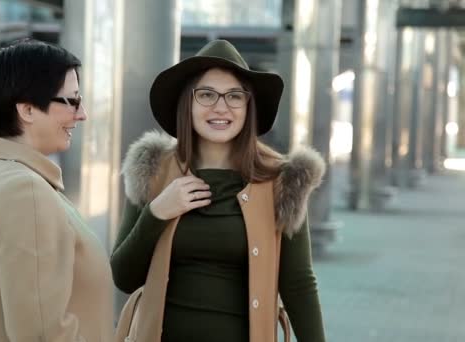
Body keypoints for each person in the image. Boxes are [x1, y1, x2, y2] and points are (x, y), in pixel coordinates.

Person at [111, 39, 326, 342]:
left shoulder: (281, 180)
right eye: (207, 94)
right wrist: (157, 212)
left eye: (234, 96)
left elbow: (299, 284)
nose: (221, 107)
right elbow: (123, 276)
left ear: (248, 106)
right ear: (187, 102)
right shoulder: (154, 170)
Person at [0, 40, 113, 342]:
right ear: (27, 109)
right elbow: (42, 333)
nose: (83, 113)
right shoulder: (24, 192)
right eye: (72, 101)